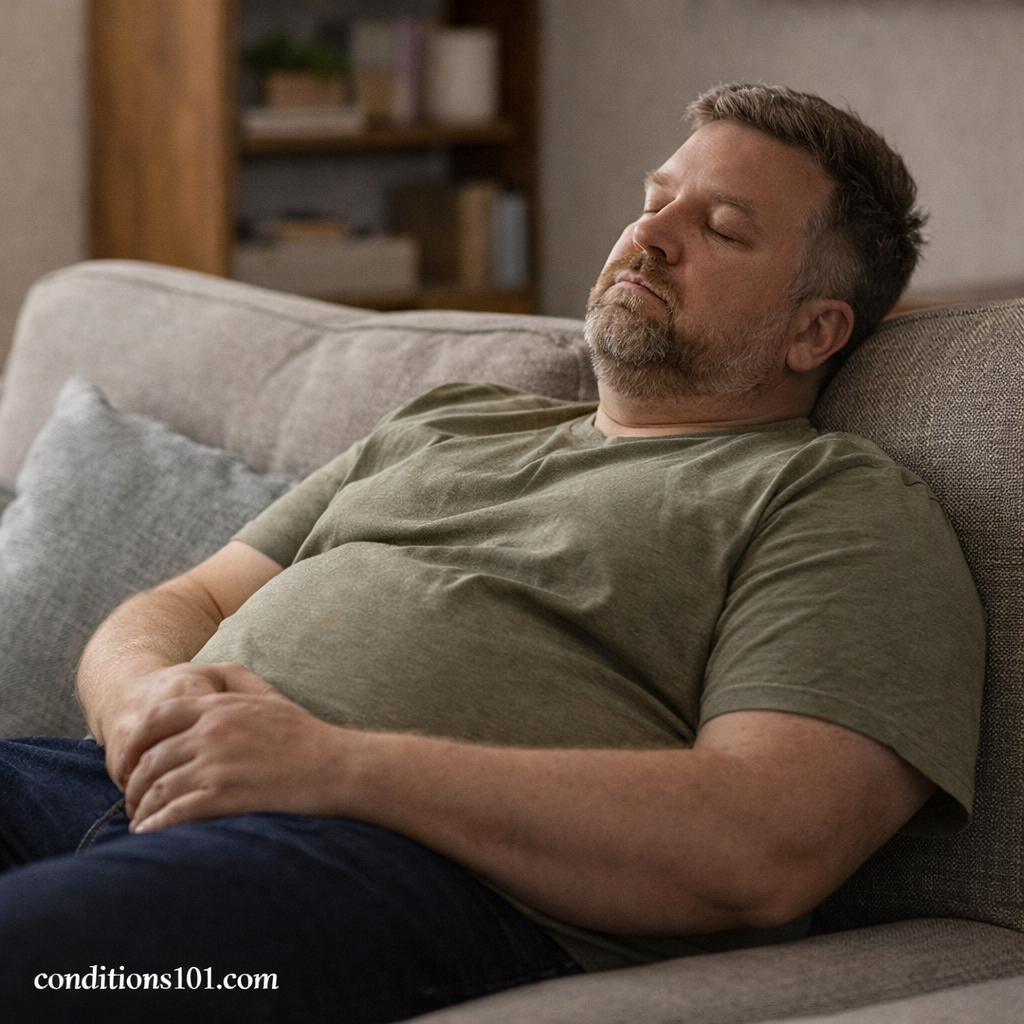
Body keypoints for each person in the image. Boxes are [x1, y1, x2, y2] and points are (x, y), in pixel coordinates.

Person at [0, 83, 984, 1023]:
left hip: (387, 865)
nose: (649, 236)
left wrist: (328, 765)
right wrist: (138, 703)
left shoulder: (834, 503)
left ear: (813, 332)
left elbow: (762, 844)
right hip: (115, 782)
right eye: (655, 201)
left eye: (721, 229)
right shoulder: (451, 421)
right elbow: (189, 601)